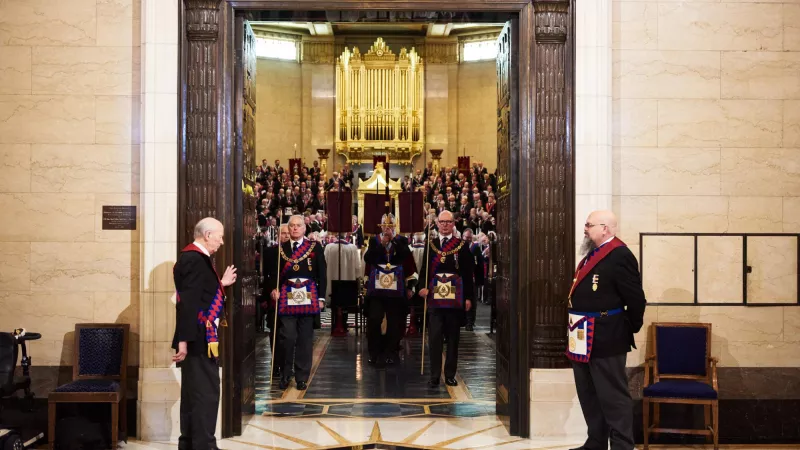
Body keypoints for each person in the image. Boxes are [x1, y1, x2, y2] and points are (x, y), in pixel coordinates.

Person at [568, 210, 646, 450]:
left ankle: (622, 446)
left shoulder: (620, 254)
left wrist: (623, 329)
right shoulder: (594, 254)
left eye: (589, 225)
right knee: (588, 393)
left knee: (612, 396)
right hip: (581, 334)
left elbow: (636, 300)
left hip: (605, 336)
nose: (585, 229)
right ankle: (596, 441)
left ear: (606, 228)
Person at [172, 218, 237, 450]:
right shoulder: (195, 260)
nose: (221, 241)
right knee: (205, 395)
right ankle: (204, 445)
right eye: (219, 236)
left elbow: (200, 294)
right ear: (208, 234)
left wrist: (221, 283)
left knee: (194, 394)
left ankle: (191, 444)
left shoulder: (195, 258)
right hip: (198, 338)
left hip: (196, 336)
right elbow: (187, 304)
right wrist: (183, 342)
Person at [266, 215, 327, 390]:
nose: (294, 229)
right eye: (292, 226)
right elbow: (272, 274)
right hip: (287, 298)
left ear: (304, 228)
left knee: (305, 339)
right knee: (288, 337)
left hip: (308, 298)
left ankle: (301, 377)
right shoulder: (281, 249)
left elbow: (322, 274)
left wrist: (321, 298)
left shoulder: (314, 248)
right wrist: (273, 289)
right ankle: (286, 374)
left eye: (298, 226)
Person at [417, 210, 474, 387]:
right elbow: (425, 269)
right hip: (435, 299)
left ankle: (449, 374)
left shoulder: (462, 245)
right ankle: (434, 375)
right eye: (442, 222)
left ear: (453, 224)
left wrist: (468, 297)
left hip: (454, 300)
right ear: (437, 223)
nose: (445, 225)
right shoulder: (431, 244)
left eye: (448, 222)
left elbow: (467, 273)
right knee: (434, 338)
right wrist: (422, 287)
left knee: (452, 339)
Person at [363, 214, 418, 366]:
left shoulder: (401, 240)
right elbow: (368, 259)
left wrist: (392, 239)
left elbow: (406, 257)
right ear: (380, 225)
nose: (388, 227)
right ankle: (374, 353)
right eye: (385, 224)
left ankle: (391, 352)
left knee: (395, 322)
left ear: (395, 226)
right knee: (374, 319)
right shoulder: (374, 240)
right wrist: (382, 244)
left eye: (391, 225)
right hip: (377, 290)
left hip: (396, 290)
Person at [261, 224, 290, 376]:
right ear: (278, 235)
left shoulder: (296, 253)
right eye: (283, 233)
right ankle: (276, 363)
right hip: (274, 298)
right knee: (275, 332)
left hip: (290, 297)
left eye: (288, 233)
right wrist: (268, 293)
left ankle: (287, 364)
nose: (285, 236)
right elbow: (265, 276)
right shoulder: (271, 252)